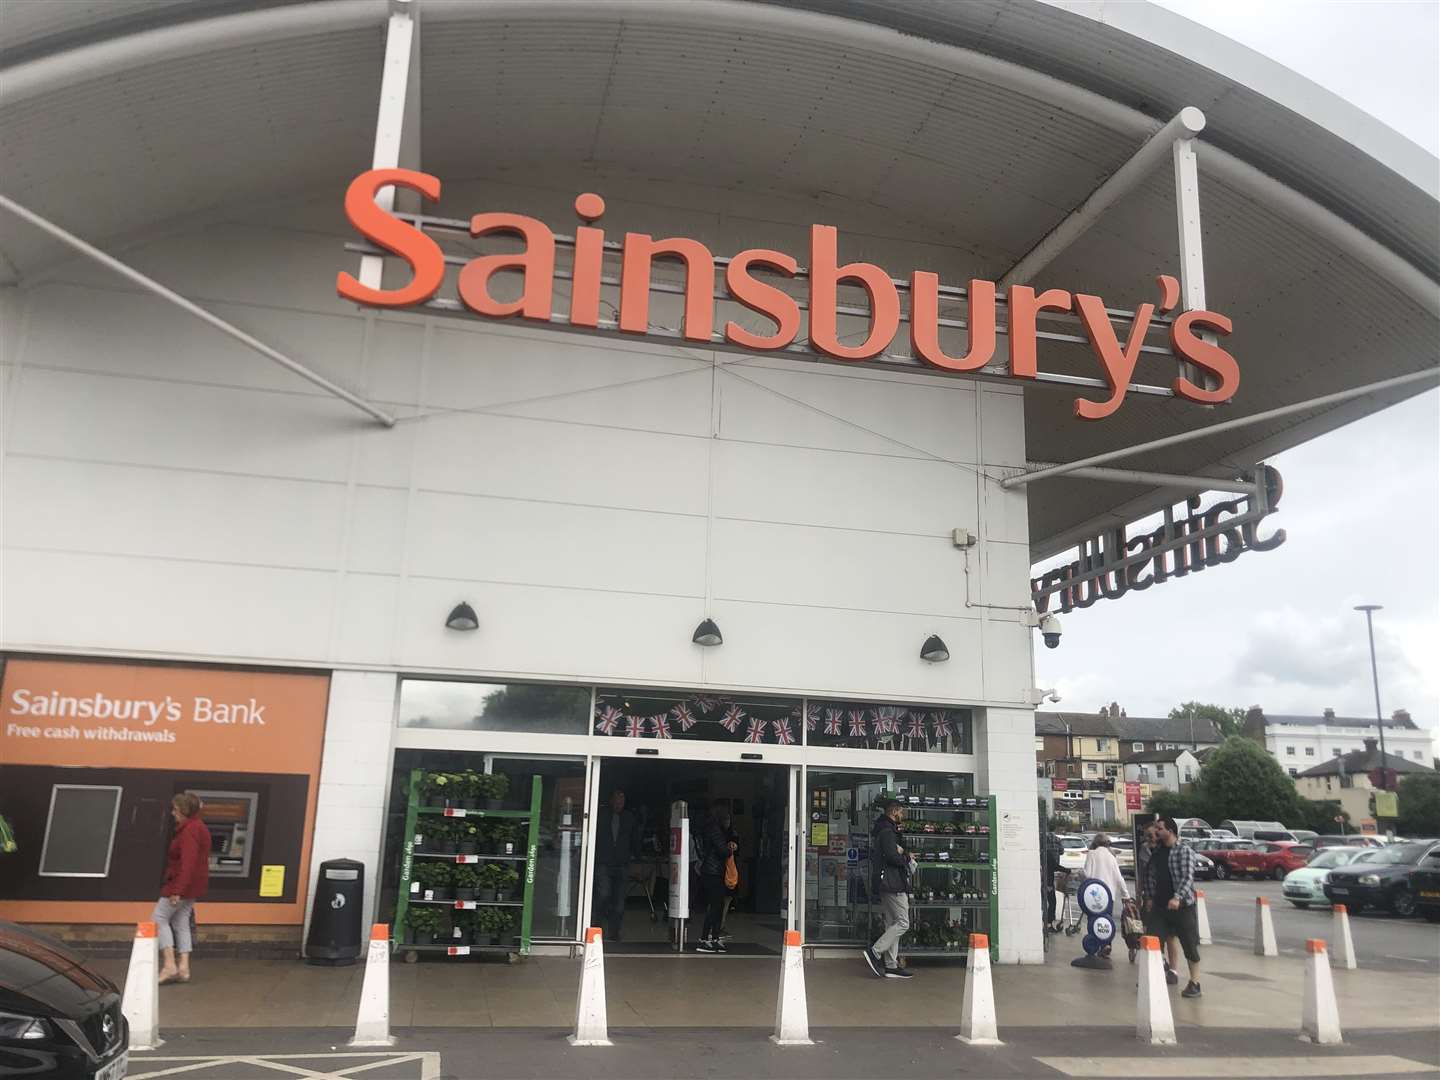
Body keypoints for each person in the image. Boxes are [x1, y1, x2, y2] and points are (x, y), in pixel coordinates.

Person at [155, 792, 210, 985]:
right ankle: (184, 968)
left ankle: (170, 965)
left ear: (184, 810)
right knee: (181, 921)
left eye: (175, 809)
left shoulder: (189, 831)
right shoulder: (199, 827)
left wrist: (177, 890)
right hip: (193, 885)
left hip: (181, 883)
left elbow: (188, 863)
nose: (172, 813)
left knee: (159, 919)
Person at [1144, 816, 1202, 998]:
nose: (1157, 831)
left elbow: (1187, 877)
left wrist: (1177, 897)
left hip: (1182, 906)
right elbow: (1150, 875)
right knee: (1152, 941)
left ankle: (1195, 982)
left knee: (1189, 944)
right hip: (1160, 906)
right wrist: (1150, 897)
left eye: (1160, 828)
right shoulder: (1157, 852)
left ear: (1170, 830)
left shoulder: (1183, 851)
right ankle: (1154, 978)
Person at [862, 799, 914, 979]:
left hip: (885, 882)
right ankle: (875, 951)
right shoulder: (888, 831)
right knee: (903, 922)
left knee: (892, 923)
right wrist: (906, 858)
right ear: (894, 811)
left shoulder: (883, 829)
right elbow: (892, 856)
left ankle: (891, 965)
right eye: (901, 811)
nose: (902, 815)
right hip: (893, 883)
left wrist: (902, 853)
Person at [592, 788, 640, 943]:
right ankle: (596, 927)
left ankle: (614, 933)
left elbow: (635, 839)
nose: (620, 802)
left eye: (622, 799)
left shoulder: (629, 818)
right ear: (611, 800)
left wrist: (637, 859)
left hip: (622, 864)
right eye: (617, 799)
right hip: (604, 862)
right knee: (603, 894)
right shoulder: (601, 816)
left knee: (619, 902)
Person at [695, 799, 736, 953]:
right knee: (715, 906)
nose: (729, 820)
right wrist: (730, 848)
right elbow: (723, 851)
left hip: (712, 871)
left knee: (717, 906)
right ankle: (705, 938)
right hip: (713, 872)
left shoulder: (710, 828)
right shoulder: (715, 830)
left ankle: (714, 938)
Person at [1081, 833, 1130, 958]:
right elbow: (1119, 878)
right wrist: (1126, 895)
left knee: (1093, 921)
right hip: (1109, 896)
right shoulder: (1111, 857)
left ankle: (1094, 945)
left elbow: (1088, 874)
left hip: (1093, 894)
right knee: (1106, 920)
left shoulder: (1092, 854)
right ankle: (1106, 944)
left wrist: (1080, 874)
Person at [1043, 828, 1065, 931]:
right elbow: (1061, 852)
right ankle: (1048, 924)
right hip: (1049, 877)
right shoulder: (1057, 840)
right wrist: (1066, 870)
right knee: (1052, 902)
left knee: (1046, 901)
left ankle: (1047, 923)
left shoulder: (1043, 841)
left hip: (1044, 875)